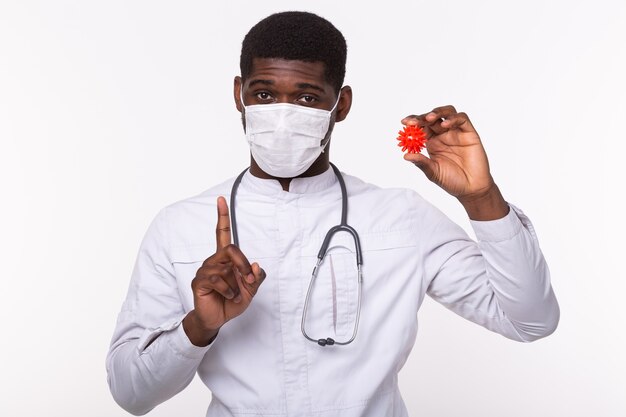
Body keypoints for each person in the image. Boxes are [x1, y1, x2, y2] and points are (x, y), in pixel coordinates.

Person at [106, 11, 559, 417]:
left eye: (306, 98)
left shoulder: (401, 219)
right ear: (238, 94)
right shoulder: (180, 227)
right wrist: (198, 326)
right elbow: (130, 393)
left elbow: (531, 321)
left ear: (340, 105)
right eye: (263, 94)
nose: (281, 116)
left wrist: (482, 199)